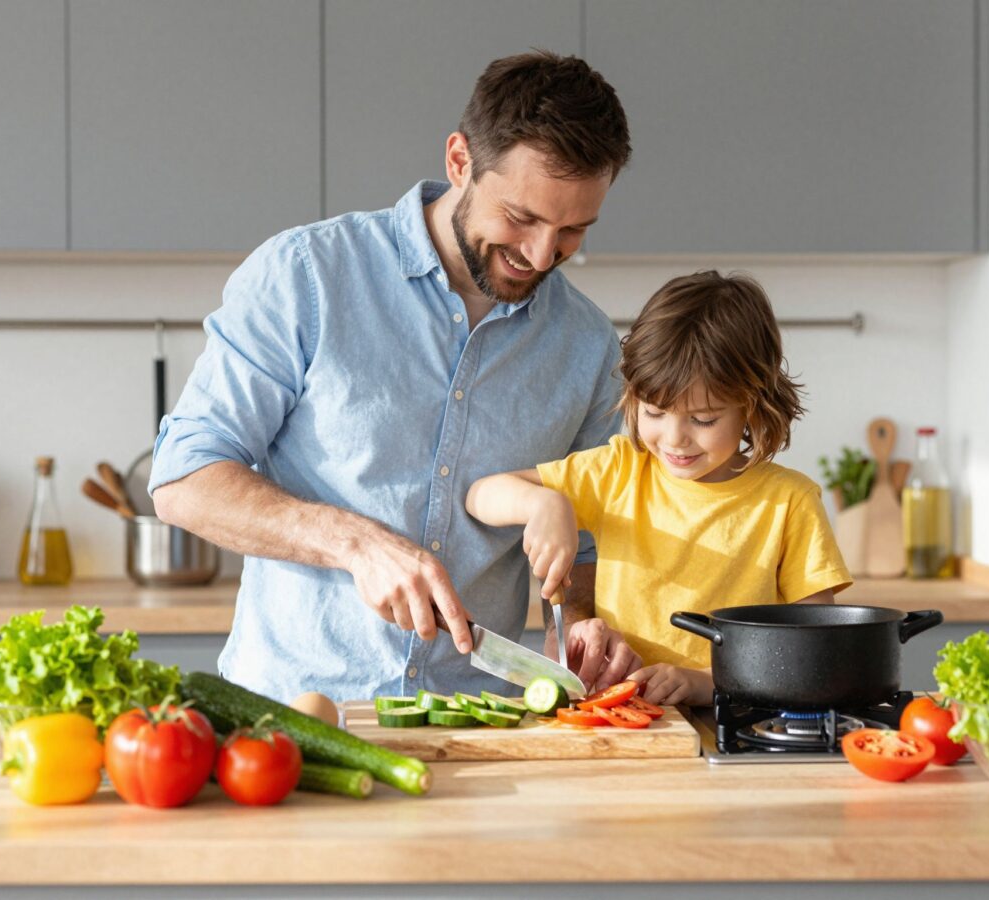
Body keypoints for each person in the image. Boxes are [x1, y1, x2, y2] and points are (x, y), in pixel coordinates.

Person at [150, 51, 641, 704]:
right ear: (460, 161)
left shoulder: (587, 345)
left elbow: (585, 541)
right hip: (293, 716)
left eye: (573, 230)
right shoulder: (307, 275)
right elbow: (184, 478)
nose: (542, 254)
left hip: (476, 723)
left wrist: (578, 624)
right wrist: (355, 544)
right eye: (521, 217)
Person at [466, 271, 852, 707]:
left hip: (735, 724)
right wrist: (543, 503)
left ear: (753, 405)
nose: (674, 439)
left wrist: (706, 683)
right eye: (653, 412)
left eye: (703, 419)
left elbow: (814, 650)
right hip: (621, 722)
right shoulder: (619, 471)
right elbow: (481, 495)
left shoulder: (790, 502)